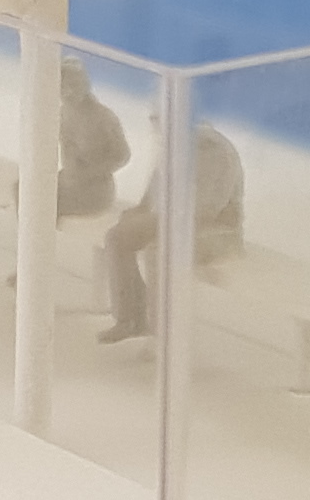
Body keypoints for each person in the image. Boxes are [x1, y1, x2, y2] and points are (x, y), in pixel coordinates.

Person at [97, 116, 245, 344]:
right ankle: (130, 319)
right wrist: (138, 214)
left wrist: (160, 222)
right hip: (174, 219)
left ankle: (163, 334)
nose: (156, 127)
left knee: (159, 252)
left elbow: (207, 212)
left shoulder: (214, 151)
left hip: (216, 232)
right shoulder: (175, 147)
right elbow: (153, 195)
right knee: (117, 237)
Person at [55, 60, 131, 220]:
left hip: (95, 192)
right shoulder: (62, 114)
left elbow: (123, 155)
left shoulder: (103, 117)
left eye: (74, 85)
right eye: (63, 86)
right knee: (22, 190)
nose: (68, 92)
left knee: (47, 204)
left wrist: (89, 174)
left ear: (85, 85)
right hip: (67, 181)